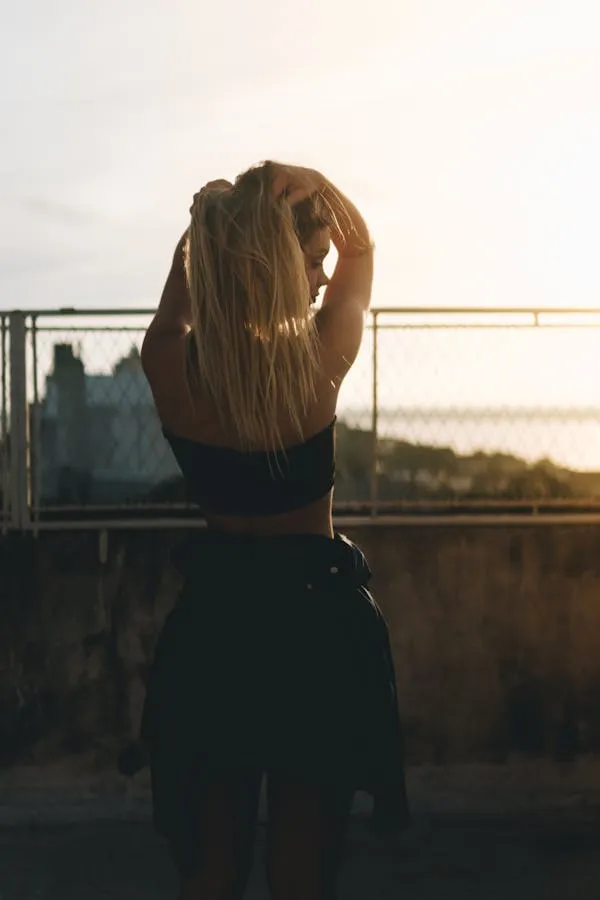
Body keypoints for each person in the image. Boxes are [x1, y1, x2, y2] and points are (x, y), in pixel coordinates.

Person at [140, 161, 409, 900]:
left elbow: (175, 313)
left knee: (213, 865)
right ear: (280, 266)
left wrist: (204, 234)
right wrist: (315, 179)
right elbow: (364, 252)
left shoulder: (170, 366)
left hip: (217, 628)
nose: (323, 277)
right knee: (300, 868)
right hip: (313, 628)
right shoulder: (320, 364)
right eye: (311, 260)